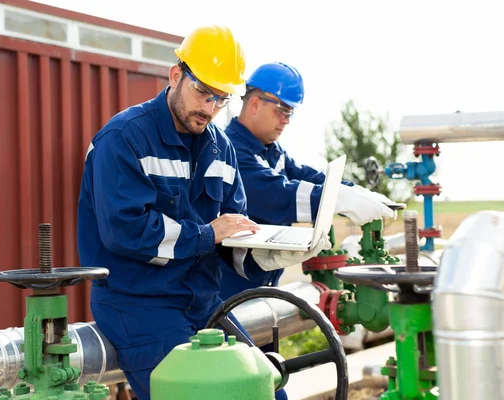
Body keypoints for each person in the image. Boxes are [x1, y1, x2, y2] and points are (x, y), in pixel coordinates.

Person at [76, 27, 328, 399]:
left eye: (221, 99)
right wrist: (209, 234)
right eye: (204, 93)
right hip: (139, 305)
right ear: (176, 75)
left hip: (204, 304)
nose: (210, 108)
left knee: (265, 390)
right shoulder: (125, 138)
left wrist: (270, 255)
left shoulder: (219, 147)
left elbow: (232, 235)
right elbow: (126, 231)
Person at [219, 62, 396, 300]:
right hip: (227, 292)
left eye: (290, 112)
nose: (287, 120)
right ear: (254, 103)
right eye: (282, 109)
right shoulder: (230, 150)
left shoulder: (271, 150)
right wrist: (339, 200)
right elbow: (276, 193)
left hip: (261, 285)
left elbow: (304, 175)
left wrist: (355, 191)